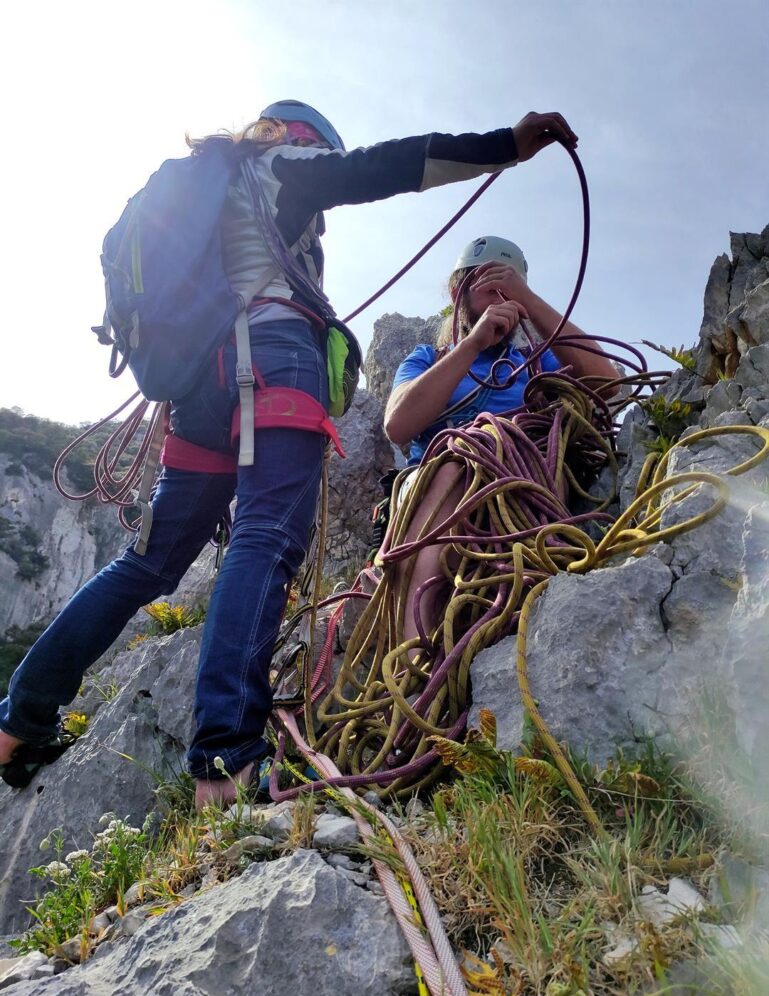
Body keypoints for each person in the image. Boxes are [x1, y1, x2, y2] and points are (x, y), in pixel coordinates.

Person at [0, 103, 579, 809]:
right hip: (275, 362)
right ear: (304, 139)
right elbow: (386, 165)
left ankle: (16, 724)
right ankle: (228, 758)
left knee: (147, 564)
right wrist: (503, 145)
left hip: (199, 390)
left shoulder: (204, 187)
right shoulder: (281, 165)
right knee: (266, 537)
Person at [384, 234, 621, 640]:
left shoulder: (535, 359)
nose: (497, 295)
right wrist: (474, 344)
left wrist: (528, 300)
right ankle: (411, 656)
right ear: (457, 292)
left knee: (538, 455)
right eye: (481, 283)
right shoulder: (429, 359)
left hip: (521, 476)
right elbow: (398, 424)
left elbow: (608, 383)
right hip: (438, 482)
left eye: (505, 285)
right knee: (456, 463)